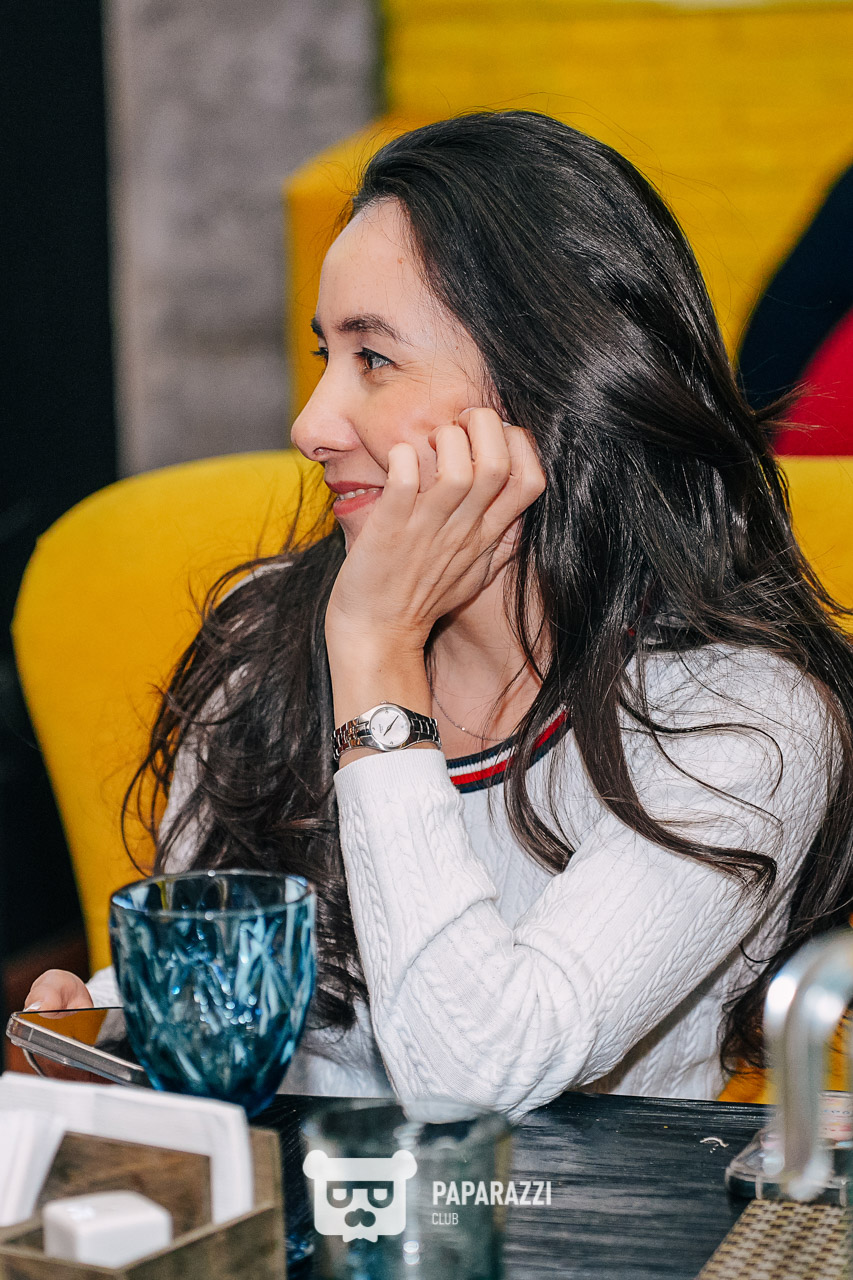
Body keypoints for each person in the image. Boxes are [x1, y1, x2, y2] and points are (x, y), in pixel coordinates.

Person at [27, 111, 853, 1117]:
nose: (311, 424)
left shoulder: (740, 721)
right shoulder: (266, 636)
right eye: (324, 354)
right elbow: (273, 1010)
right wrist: (123, 1019)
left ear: (548, 385)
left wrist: (377, 656)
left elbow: (472, 1079)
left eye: (373, 359)